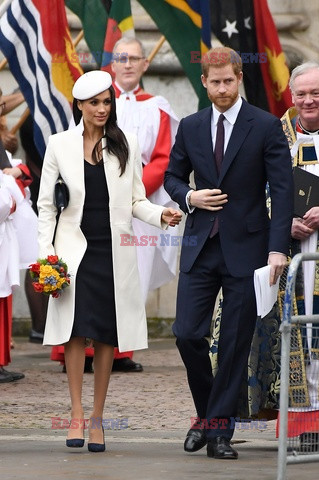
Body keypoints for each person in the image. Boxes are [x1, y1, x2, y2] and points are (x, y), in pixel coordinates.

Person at [37, 70, 181, 451]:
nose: (102, 109)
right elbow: (47, 208)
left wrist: (159, 216)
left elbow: (136, 201)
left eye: (107, 102)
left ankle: (98, 419)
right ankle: (76, 414)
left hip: (113, 253)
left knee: (105, 335)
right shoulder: (58, 145)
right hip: (71, 255)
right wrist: (46, 258)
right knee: (74, 333)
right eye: (95, 103)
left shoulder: (126, 143)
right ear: (80, 106)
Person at [164, 46, 294, 460]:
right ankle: (209, 416)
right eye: (214, 81)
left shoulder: (267, 126)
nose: (221, 88)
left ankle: (219, 431)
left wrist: (278, 249)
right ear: (203, 82)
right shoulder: (190, 125)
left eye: (228, 80)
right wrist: (190, 196)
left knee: (236, 344)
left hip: (249, 250)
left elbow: (283, 190)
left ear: (239, 78)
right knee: (186, 334)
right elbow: (171, 176)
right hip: (200, 247)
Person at [111, 37, 180, 372]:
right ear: (112, 63)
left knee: (130, 276)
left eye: (133, 58)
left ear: (144, 64)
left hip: (139, 205)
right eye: (121, 58)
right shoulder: (94, 99)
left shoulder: (158, 106)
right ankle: (86, 351)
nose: (127, 64)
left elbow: (163, 158)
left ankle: (121, 352)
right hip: (97, 203)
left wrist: (131, 192)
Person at [277, 61, 319, 450]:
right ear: (292, 97)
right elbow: (254, 189)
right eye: (302, 94)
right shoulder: (276, 135)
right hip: (291, 253)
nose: (309, 101)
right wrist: (283, 221)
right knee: (300, 336)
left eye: (316, 93)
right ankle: (305, 426)